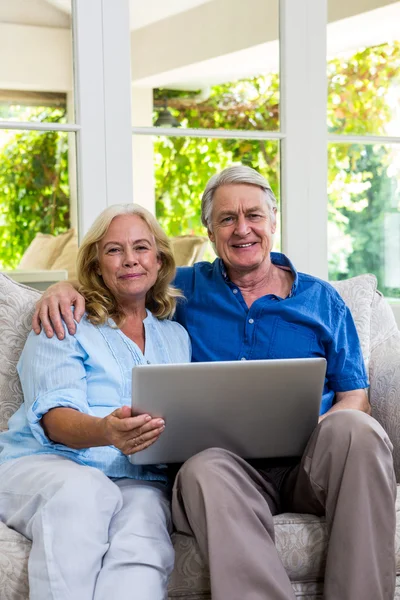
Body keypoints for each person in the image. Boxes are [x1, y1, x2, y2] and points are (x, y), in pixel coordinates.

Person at [33, 165, 396, 600]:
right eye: (227, 218)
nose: (242, 229)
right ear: (209, 230)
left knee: (357, 428)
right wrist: (63, 287)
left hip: (309, 466)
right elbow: (125, 275)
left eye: (254, 216)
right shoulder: (184, 289)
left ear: (273, 221)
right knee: (203, 467)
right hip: (225, 473)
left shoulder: (322, 300)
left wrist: (317, 430)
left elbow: (355, 396)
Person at [0, 203, 191, 600]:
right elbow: (54, 419)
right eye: (114, 250)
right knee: (86, 492)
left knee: (145, 538)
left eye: (141, 247)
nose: (129, 260)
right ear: (96, 264)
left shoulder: (176, 337)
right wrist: (106, 431)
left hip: (138, 478)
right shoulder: (65, 318)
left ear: (159, 260)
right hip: (46, 465)